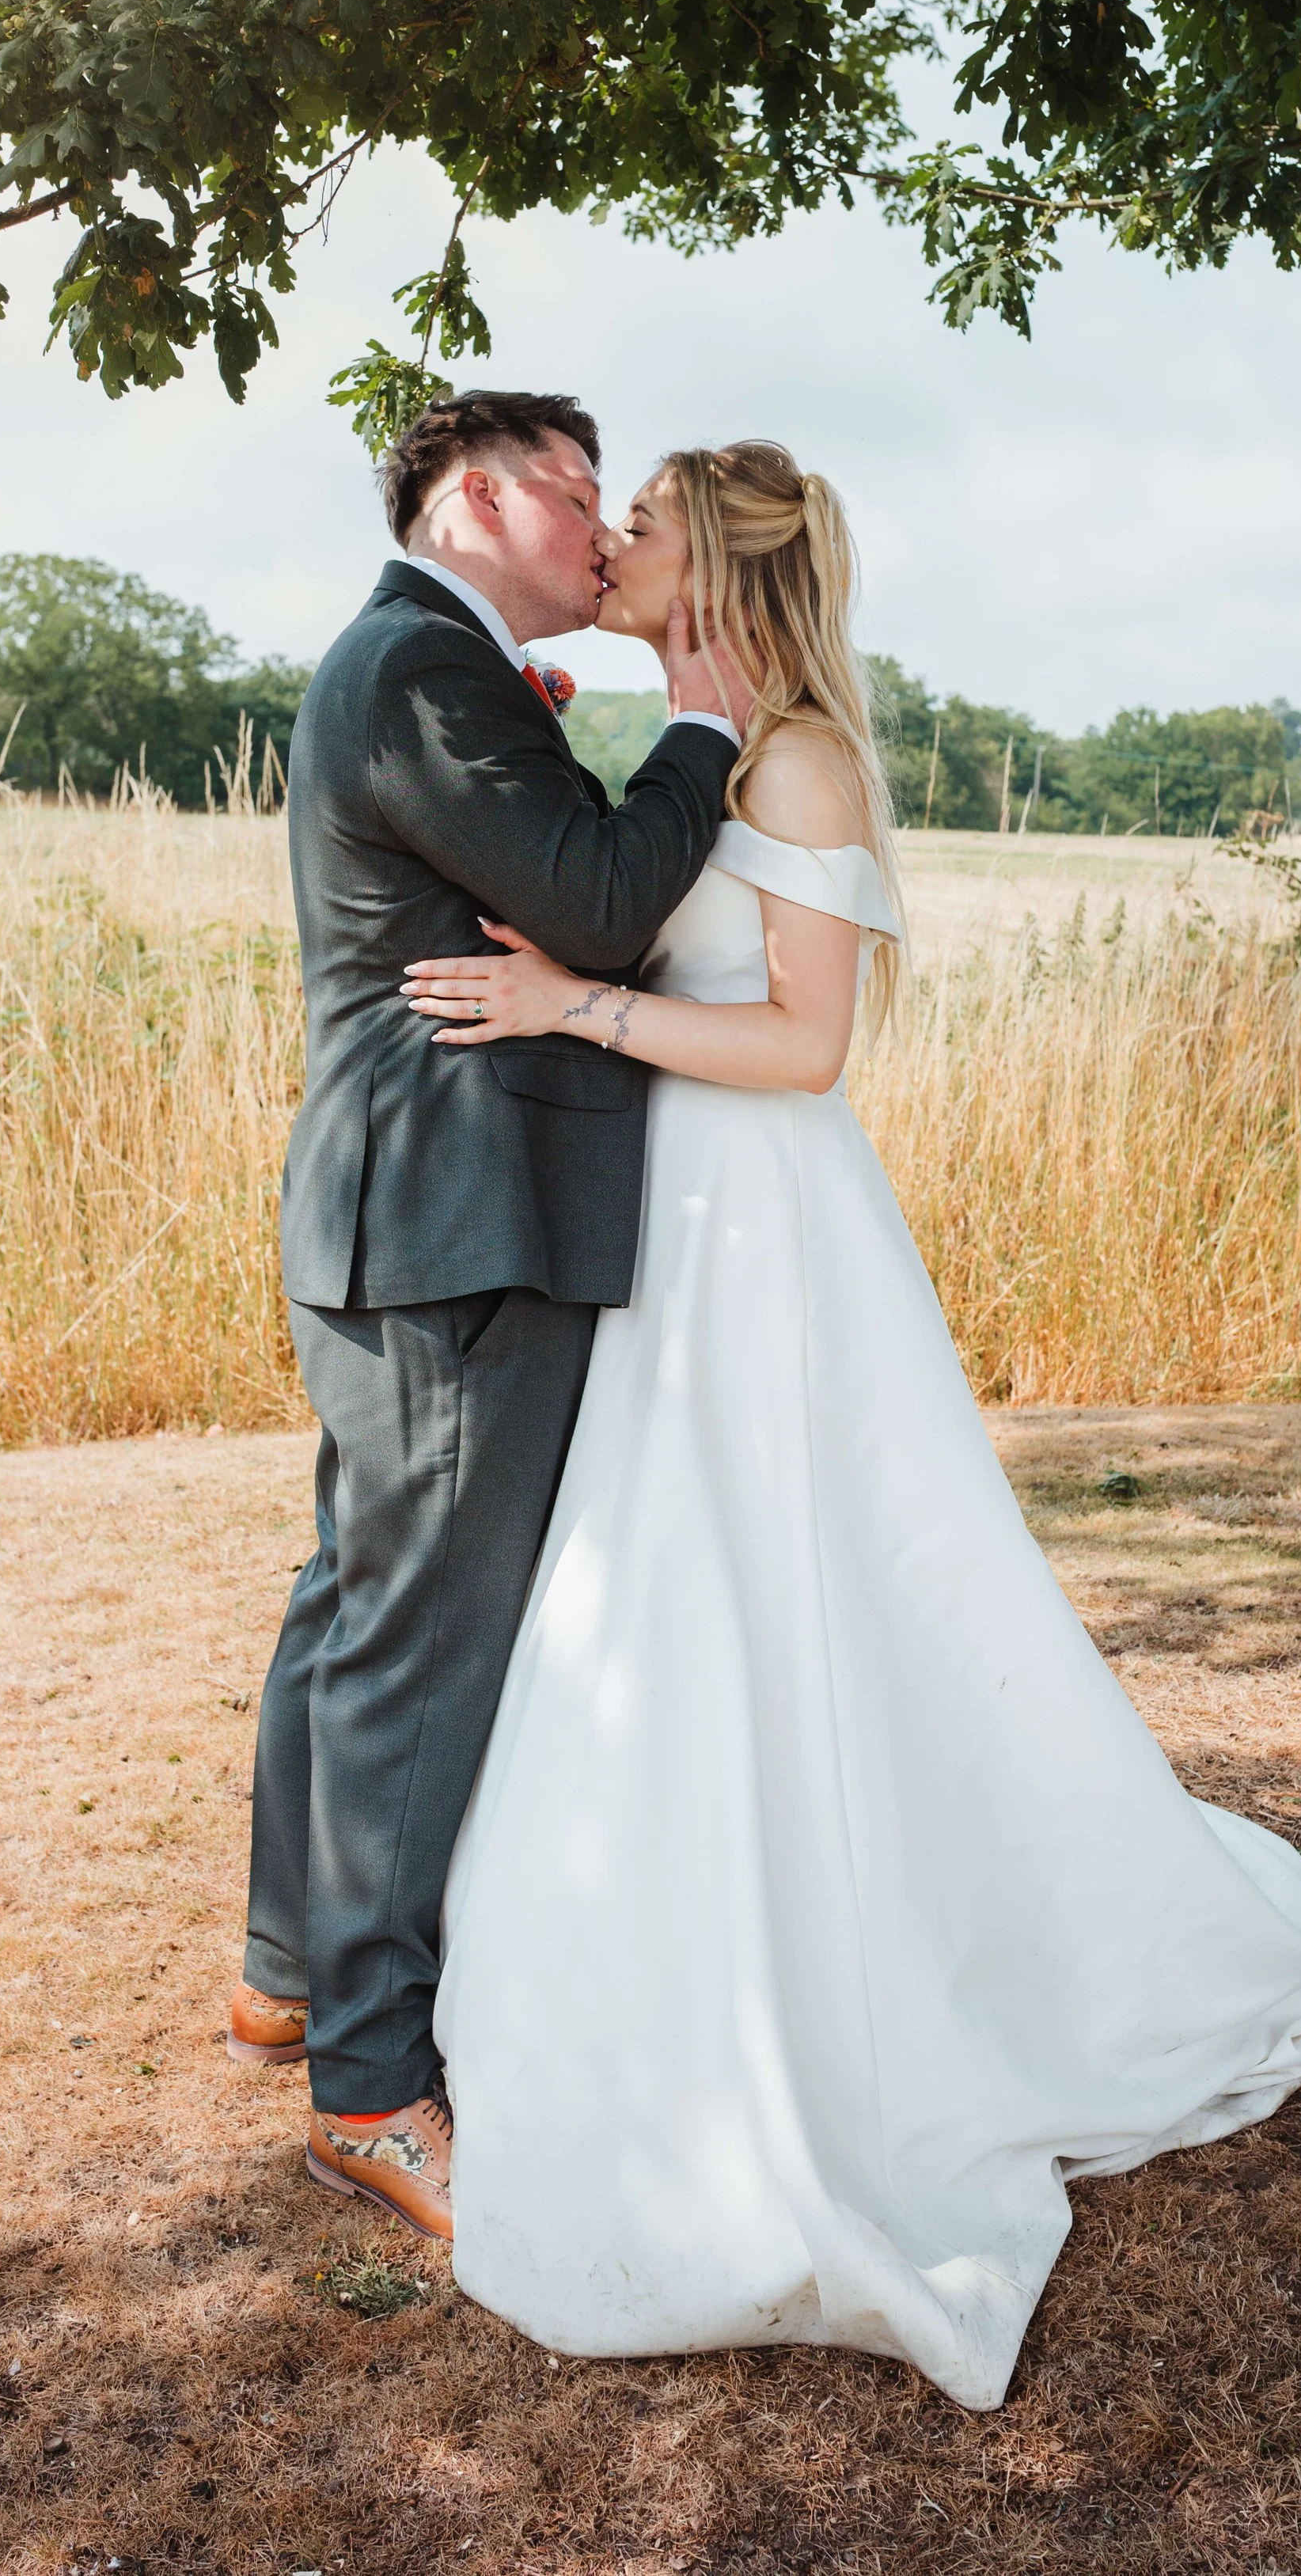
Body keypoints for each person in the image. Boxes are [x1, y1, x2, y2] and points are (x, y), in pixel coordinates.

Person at [400, 440, 1301, 2411]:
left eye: (639, 524)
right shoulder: (697, 751)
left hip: (766, 1232)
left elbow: (805, 1045)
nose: (611, 544)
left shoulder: (801, 761)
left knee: (799, 1587)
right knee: (662, 1603)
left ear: (718, 566)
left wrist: (573, 1012)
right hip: (677, 1227)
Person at [230, 390, 750, 2242]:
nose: (602, 535)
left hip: (417, 1214)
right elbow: (605, 903)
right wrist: (700, 723)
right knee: (420, 1643)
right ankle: (369, 2082)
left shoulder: (427, 666)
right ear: (476, 497)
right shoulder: (420, 675)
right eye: (577, 495)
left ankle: (287, 1960)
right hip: (456, 1217)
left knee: (358, 1601)